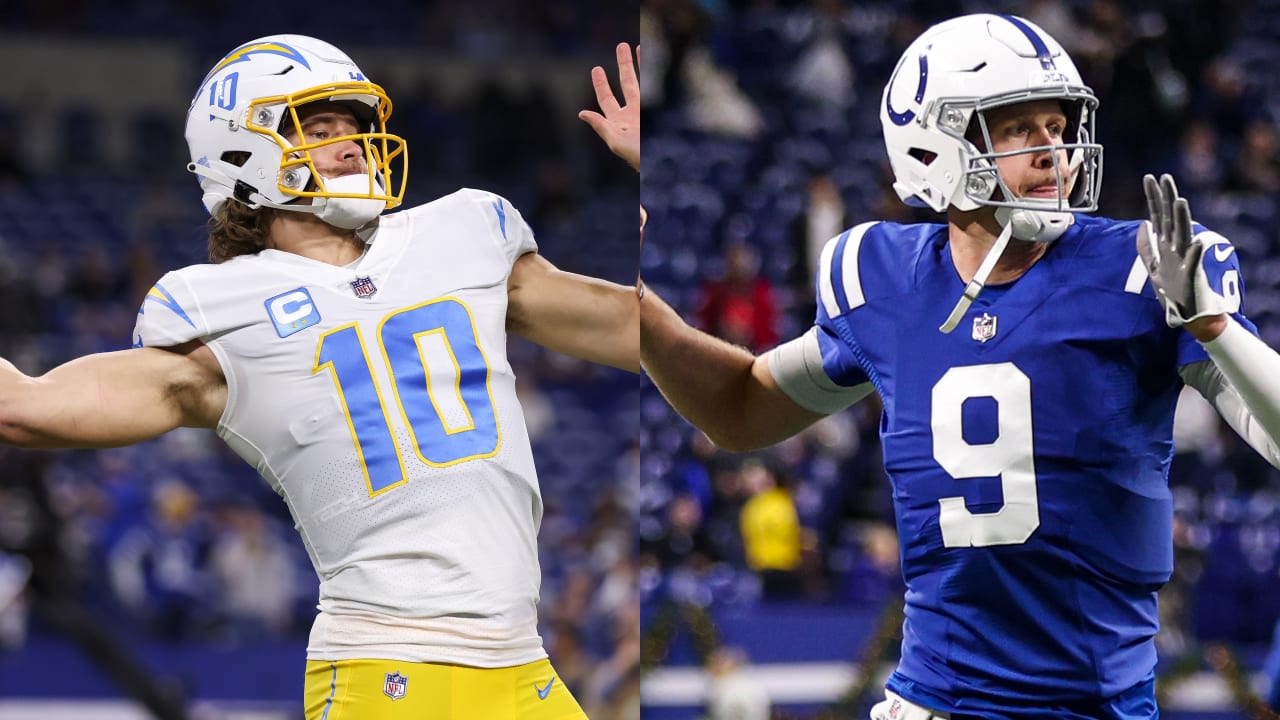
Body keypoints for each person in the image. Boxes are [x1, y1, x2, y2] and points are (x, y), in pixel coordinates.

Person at [640, 14, 1280, 720]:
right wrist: (636, 309)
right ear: (931, 147)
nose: (1053, 152)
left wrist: (1213, 327)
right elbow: (739, 409)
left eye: (1058, 125)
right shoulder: (883, 277)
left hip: (1091, 707)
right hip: (933, 702)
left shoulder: (1144, 269)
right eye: (1016, 129)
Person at [0, 35, 640, 719]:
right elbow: (24, 407)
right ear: (240, 152)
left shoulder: (462, 234)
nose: (352, 143)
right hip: (387, 668)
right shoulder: (221, 315)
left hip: (522, 664)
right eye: (320, 127)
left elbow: (638, 334)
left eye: (356, 126)